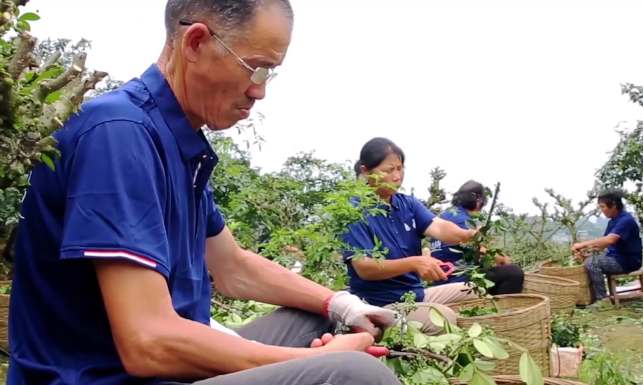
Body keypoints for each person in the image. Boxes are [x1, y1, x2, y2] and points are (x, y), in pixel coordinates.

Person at [8, 2, 402, 385]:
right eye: (257, 69)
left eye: (270, 74)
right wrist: (319, 360)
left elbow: (233, 268)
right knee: (355, 374)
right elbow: (149, 343)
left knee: (316, 318)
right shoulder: (119, 134)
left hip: (160, 367)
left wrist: (340, 303)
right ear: (195, 42)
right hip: (103, 376)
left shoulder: (178, 143)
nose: (259, 91)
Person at [341, 137, 479, 335]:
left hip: (416, 294)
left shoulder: (407, 204)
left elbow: (439, 227)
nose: (397, 176)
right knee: (444, 318)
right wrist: (414, 263)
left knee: (474, 290)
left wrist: (468, 235)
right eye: (389, 170)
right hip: (382, 304)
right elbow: (365, 268)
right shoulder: (353, 212)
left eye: (400, 168)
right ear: (365, 171)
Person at [429, 180, 524, 295]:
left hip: (439, 281)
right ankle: (504, 311)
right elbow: (483, 252)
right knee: (513, 273)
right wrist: (503, 259)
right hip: (459, 281)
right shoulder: (463, 220)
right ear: (478, 201)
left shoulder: (444, 216)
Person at [571, 189, 643, 303]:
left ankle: (603, 300)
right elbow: (602, 246)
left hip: (628, 261)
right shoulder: (613, 221)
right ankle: (595, 296)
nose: (601, 210)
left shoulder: (626, 220)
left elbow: (609, 240)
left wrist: (582, 244)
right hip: (615, 257)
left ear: (613, 205)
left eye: (603, 207)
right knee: (589, 259)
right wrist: (586, 252)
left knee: (592, 263)